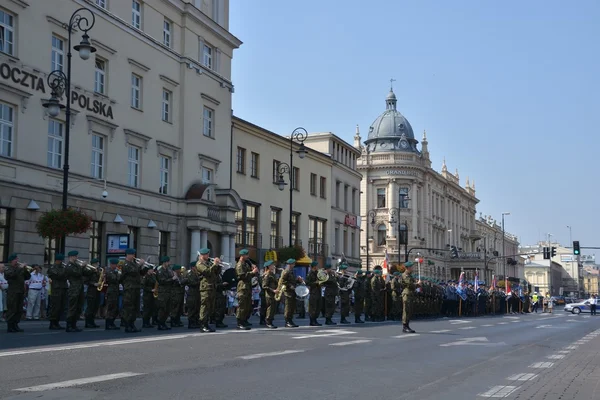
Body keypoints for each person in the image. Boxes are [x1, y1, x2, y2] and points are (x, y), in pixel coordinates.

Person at [121, 249, 146, 333]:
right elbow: (133, 271)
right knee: (129, 307)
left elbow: (140, 273)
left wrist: (144, 267)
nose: (133, 256)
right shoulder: (125, 264)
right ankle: (127, 325)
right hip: (129, 288)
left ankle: (132, 324)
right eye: (132, 254)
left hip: (136, 287)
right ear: (128, 255)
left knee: (135, 307)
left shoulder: (134, 263)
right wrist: (139, 264)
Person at [197, 248, 221, 332]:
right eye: (206, 254)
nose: (208, 256)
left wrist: (217, 265)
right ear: (202, 255)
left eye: (208, 254)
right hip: (205, 288)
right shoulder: (199, 264)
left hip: (212, 287)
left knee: (210, 307)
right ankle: (202, 324)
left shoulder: (208, 263)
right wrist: (214, 264)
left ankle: (206, 324)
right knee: (205, 306)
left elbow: (216, 273)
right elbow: (207, 272)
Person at [4, 253, 30, 333]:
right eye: (16, 259)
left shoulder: (19, 269)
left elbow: (28, 277)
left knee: (19, 309)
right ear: (12, 261)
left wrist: (25, 269)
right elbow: (12, 275)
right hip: (13, 292)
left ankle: (15, 325)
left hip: (20, 291)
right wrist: (20, 268)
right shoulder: (8, 269)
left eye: (17, 259)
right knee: (12, 309)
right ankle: (10, 326)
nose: (17, 260)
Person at [235, 249, 258, 330]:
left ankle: (244, 320)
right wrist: (252, 272)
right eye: (246, 255)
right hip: (242, 287)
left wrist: (253, 269)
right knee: (242, 305)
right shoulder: (239, 265)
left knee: (247, 305)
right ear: (242, 256)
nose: (248, 257)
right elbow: (242, 276)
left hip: (248, 287)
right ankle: (239, 322)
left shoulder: (246, 264)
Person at [278, 258, 299, 328]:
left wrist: (297, 280)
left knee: (292, 307)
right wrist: (290, 286)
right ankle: (287, 321)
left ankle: (290, 320)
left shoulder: (291, 271)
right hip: (288, 292)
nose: (294, 265)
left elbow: (292, 281)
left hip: (292, 292)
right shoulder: (286, 272)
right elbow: (283, 281)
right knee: (288, 307)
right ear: (290, 264)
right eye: (293, 263)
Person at [401, 262, 420, 334]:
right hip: (407, 294)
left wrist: (417, 285)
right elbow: (409, 284)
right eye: (411, 267)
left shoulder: (410, 275)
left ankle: (407, 325)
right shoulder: (405, 275)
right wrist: (417, 284)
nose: (412, 268)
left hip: (410, 294)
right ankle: (405, 326)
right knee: (406, 310)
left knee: (409, 311)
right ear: (408, 268)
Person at [104, 259, 121, 330]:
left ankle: (112, 322)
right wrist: (118, 273)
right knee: (110, 308)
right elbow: (114, 279)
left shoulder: (115, 271)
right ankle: (108, 324)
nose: (116, 266)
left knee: (115, 308)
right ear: (112, 264)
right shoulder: (108, 271)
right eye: (115, 264)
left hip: (115, 291)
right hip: (111, 291)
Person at [261, 260, 278, 329]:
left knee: (273, 308)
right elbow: (264, 286)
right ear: (268, 266)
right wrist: (273, 290)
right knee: (270, 308)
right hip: (269, 294)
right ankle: (268, 321)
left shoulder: (272, 274)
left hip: (273, 294)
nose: (273, 266)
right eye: (272, 265)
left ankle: (271, 321)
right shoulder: (267, 274)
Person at [305, 261, 322, 326]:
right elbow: (307, 282)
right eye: (317, 266)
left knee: (318, 307)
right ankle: (312, 320)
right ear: (314, 266)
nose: (318, 267)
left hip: (318, 291)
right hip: (313, 292)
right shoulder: (310, 273)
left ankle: (315, 319)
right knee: (313, 307)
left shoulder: (318, 273)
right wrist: (315, 283)